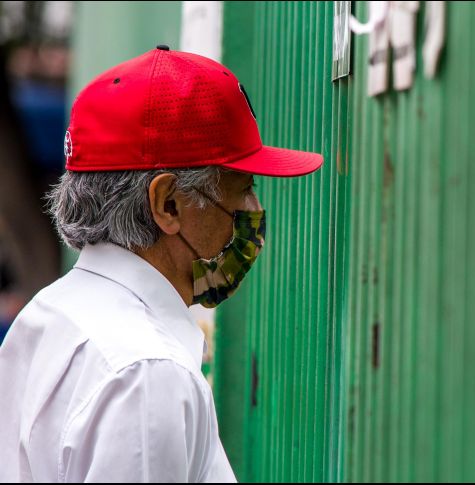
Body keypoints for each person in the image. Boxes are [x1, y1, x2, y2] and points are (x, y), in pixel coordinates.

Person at [0, 45, 323, 482]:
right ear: (167, 203)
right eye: (241, 188)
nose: (253, 209)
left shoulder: (51, 313)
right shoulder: (146, 373)